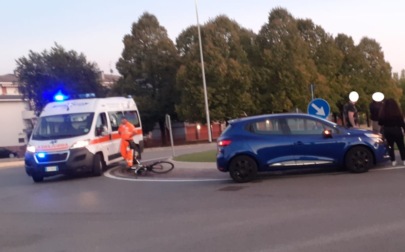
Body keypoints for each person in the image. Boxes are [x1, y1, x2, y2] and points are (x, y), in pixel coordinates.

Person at [378, 98, 405, 166]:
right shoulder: (398, 113)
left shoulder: (383, 113)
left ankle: (393, 160)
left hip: (387, 130)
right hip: (397, 130)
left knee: (390, 146)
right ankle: (403, 159)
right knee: (401, 146)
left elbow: (380, 123)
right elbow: (402, 123)